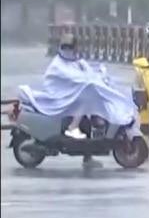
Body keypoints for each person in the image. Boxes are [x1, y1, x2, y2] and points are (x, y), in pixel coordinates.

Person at [20, 33, 142, 168]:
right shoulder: (58, 65)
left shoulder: (77, 62)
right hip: (60, 99)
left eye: (70, 48)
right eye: (65, 47)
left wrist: (100, 77)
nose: (68, 50)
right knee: (86, 96)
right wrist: (89, 82)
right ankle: (73, 126)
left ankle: (88, 155)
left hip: (72, 98)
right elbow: (75, 78)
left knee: (88, 112)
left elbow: (88, 74)